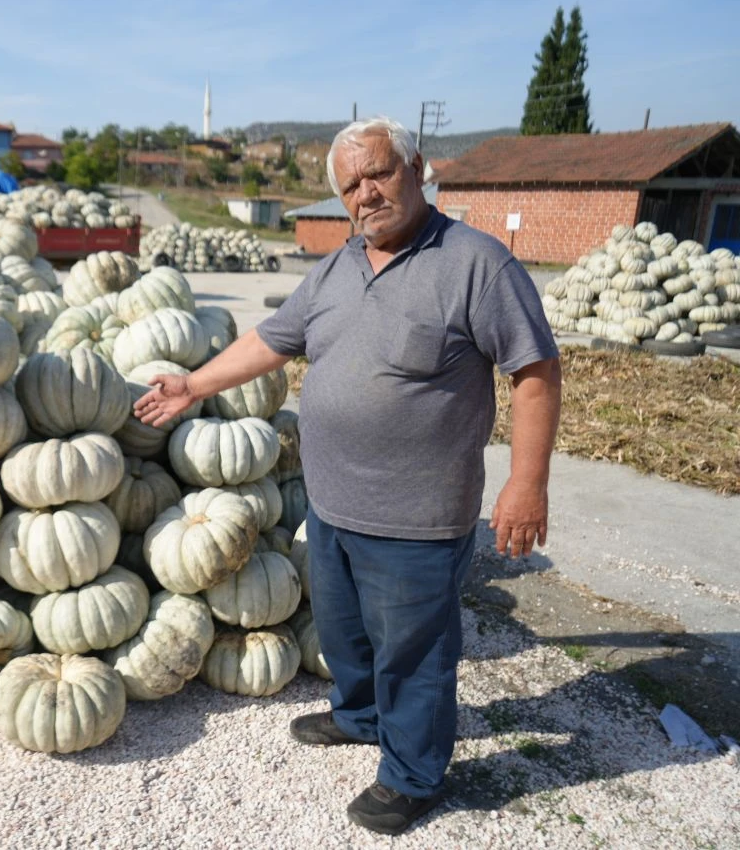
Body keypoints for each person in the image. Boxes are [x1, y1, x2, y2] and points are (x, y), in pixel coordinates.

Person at [134, 116, 562, 836]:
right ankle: (361, 716)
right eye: (350, 185)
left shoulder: (476, 264)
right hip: (332, 505)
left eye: (379, 173)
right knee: (345, 633)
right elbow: (272, 339)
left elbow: (536, 371)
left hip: (418, 519)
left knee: (414, 654)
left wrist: (527, 483)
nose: (366, 193)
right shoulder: (336, 268)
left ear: (416, 169)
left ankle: (413, 774)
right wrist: (194, 384)